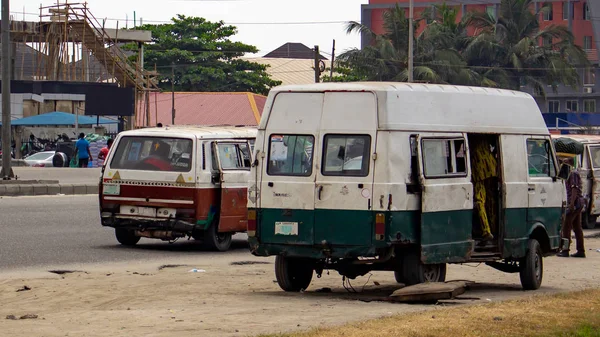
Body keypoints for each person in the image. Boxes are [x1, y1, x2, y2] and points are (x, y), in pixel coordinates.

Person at [470, 135, 498, 242]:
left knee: (480, 200)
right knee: (491, 200)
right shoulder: (485, 132)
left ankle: (486, 231)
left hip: (478, 168)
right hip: (491, 167)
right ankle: (494, 229)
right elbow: (494, 143)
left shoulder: (472, 135)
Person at [557, 157, 586, 258]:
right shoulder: (569, 172)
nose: (563, 164)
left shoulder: (572, 173)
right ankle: (581, 250)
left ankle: (565, 250)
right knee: (577, 227)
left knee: (566, 226)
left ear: (569, 163)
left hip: (575, 203)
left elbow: (574, 189)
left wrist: (572, 203)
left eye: (565, 162)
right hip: (578, 203)